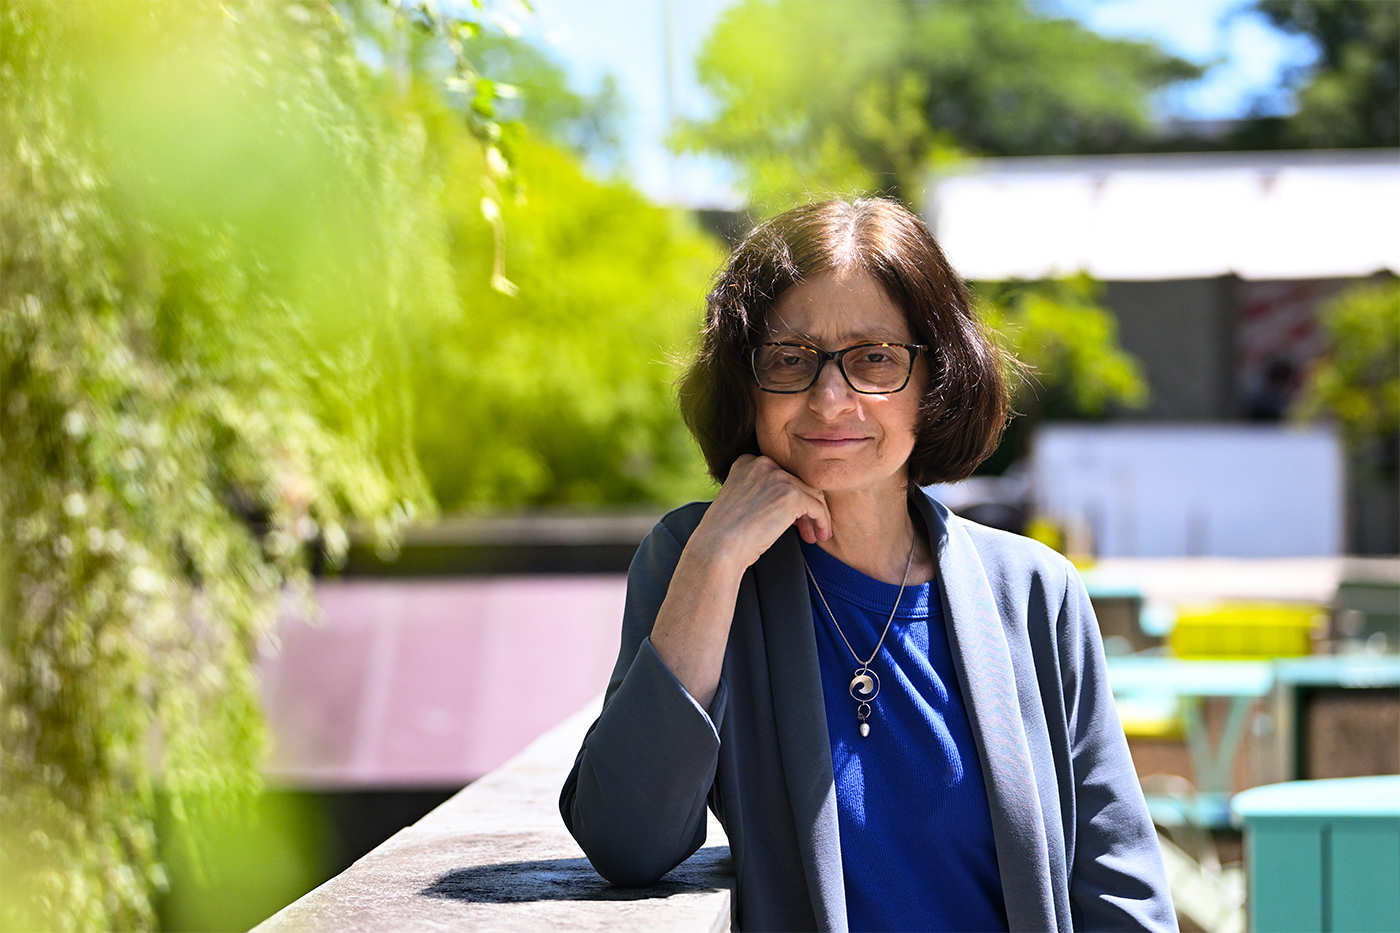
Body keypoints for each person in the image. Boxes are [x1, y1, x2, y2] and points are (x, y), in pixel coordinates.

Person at [559, 198, 1176, 933]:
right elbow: (625, 840)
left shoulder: (1037, 593)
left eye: (874, 358)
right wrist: (716, 559)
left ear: (936, 378)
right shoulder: (695, 559)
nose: (830, 398)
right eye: (789, 358)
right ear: (745, 382)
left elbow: (1121, 892)